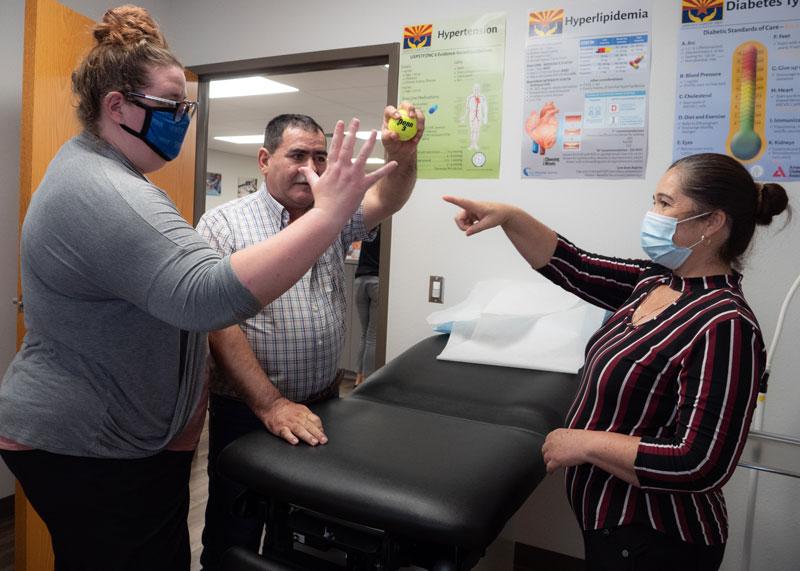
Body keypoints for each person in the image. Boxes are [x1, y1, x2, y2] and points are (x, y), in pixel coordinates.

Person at [0, 6, 395, 571]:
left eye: (187, 107)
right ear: (117, 107)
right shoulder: (104, 190)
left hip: (123, 440)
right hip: (89, 443)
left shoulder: (113, 177)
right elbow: (208, 298)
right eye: (172, 107)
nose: (183, 120)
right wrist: (328, 217)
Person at [444, 153, 790, 570]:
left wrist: (585, 442)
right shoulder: (656, 282)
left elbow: (701, 463)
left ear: (711, 223)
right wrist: (509, 217)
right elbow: (573, 265)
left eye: (664, 203)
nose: (652, 214)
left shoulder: (725, 324)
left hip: (660, 539)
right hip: (610, 525)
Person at [196, 108, 423, 568]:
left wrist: (404, 154)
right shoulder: (223, 226)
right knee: (233, 526)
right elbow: (219, 324)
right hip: (248, 409)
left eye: (320, 157)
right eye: (297, 155)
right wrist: (270, 404)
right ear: (264, 160)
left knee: (305, 528)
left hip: (321, 406)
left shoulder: (333, 216)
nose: (311, 169)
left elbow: (390, 197)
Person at [354, 225, 381, 386]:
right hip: (376, 282)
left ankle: (358, 377)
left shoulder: (369, 227)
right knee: (372, 336)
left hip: (359, 281)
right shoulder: (389, 232)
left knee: (364, 334)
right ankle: (367, 380)